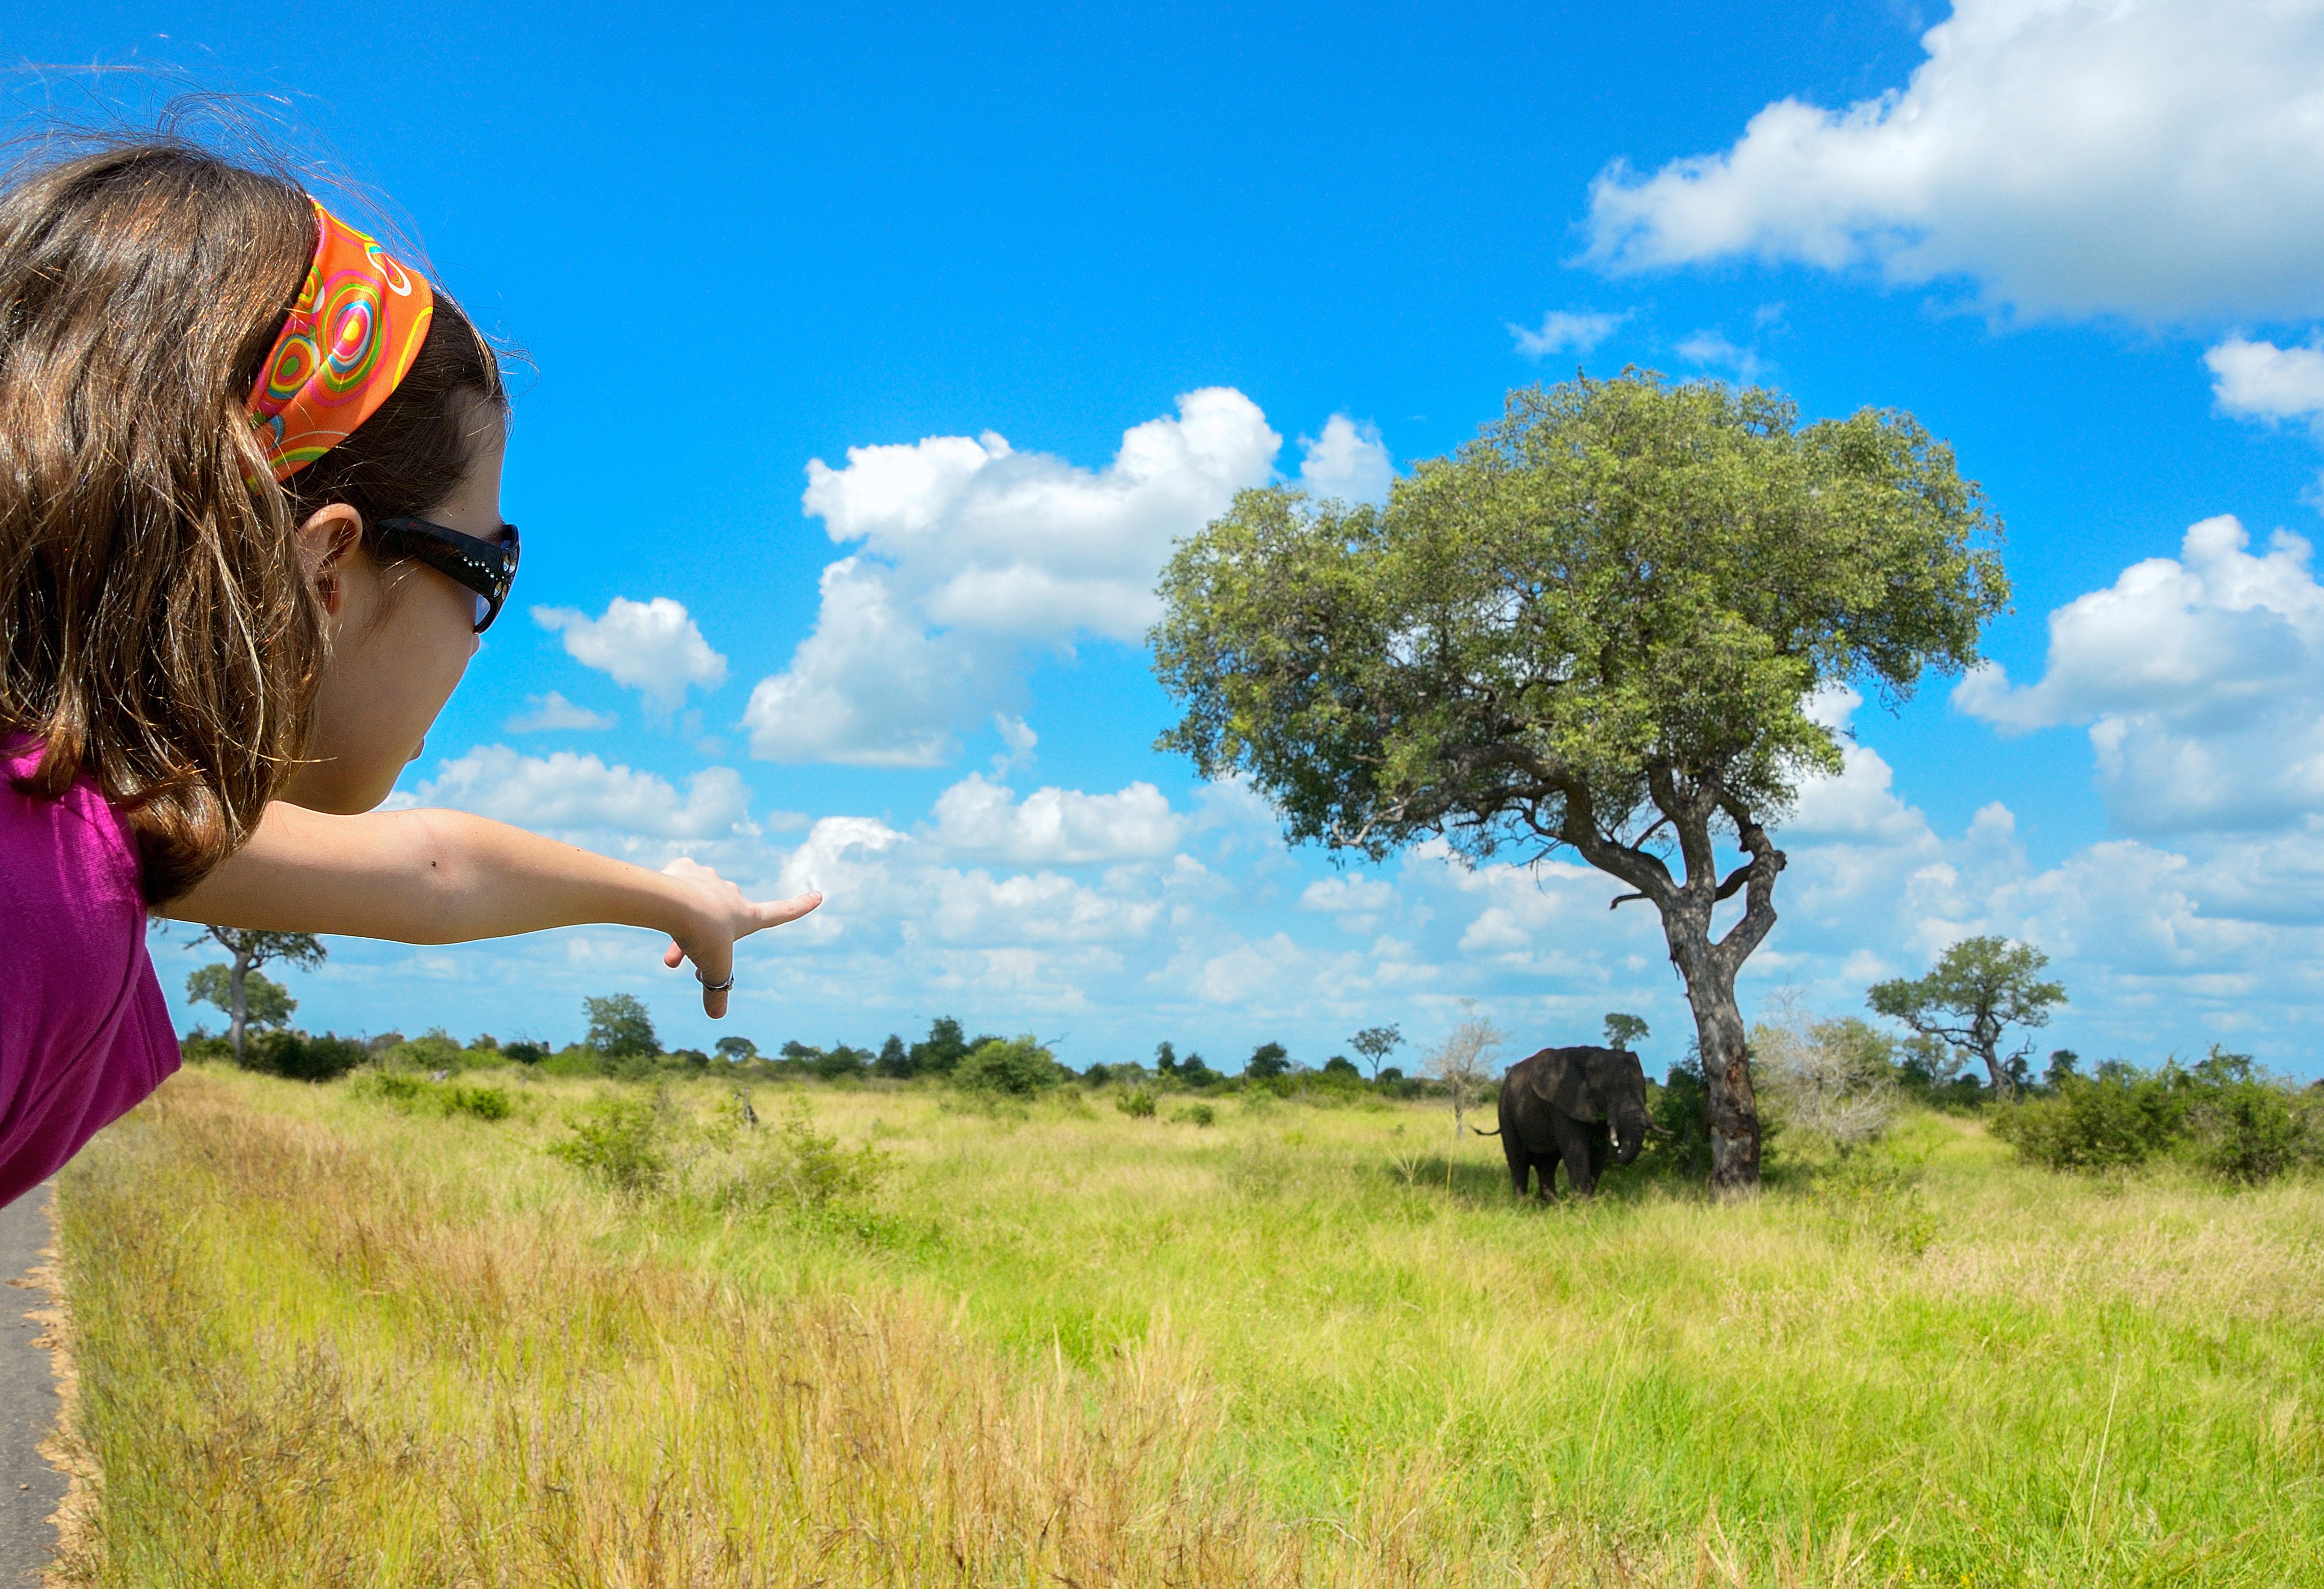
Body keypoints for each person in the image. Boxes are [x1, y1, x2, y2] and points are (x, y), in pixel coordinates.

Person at [0, 138, 821, 1207]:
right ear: (328, 563)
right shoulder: (37, 903)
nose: (482, 635)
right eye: (485, 566)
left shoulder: (66, 808)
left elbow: (431, 870)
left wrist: (681, 900)